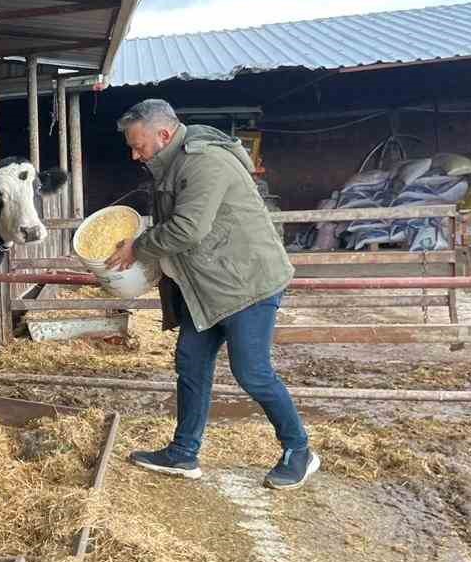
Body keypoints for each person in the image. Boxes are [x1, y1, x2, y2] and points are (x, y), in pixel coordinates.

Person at [104, 98, 319, 489]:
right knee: (190, 363)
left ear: (164, 134)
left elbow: (188, 228)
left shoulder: (204, 162)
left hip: (246, 281)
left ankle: (299, 450)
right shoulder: (172, 163)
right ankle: (184, 452)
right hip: (208, 285)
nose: (135, 155)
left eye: (139, 145)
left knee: (252, 372)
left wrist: (137, 247)